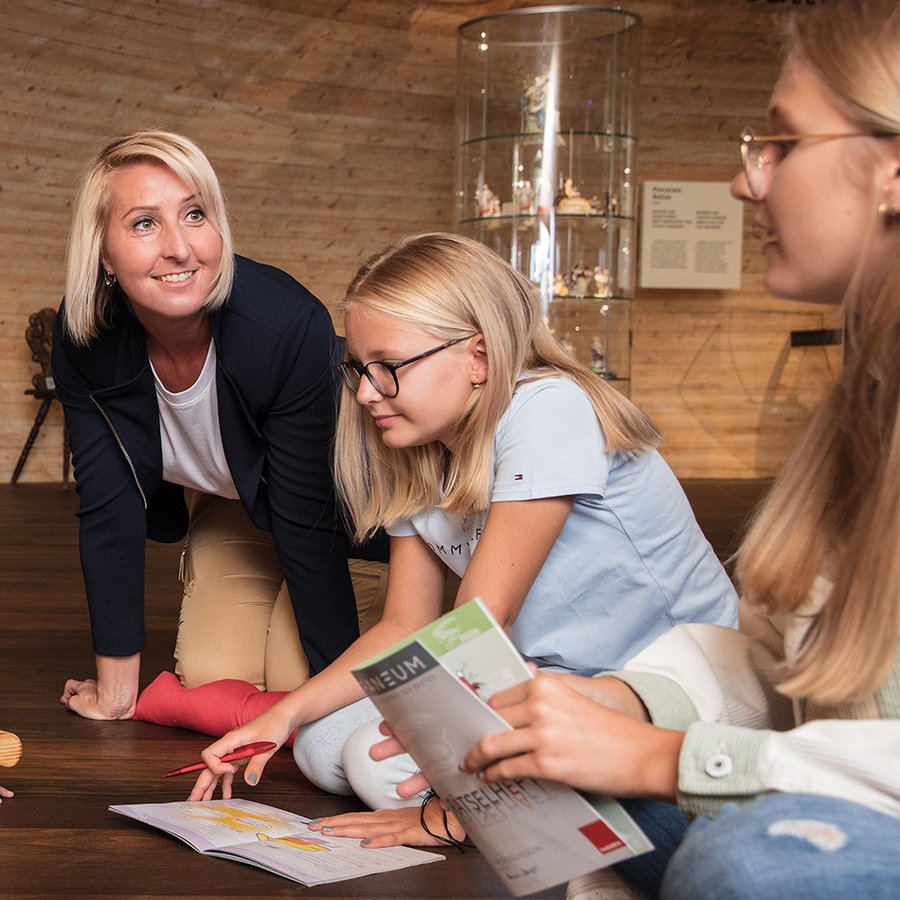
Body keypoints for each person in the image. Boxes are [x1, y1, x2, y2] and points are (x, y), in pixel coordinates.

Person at [357, 2, 900, 897]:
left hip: (793, 797)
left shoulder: (548, 407)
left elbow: (474, 617)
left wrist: (663, 755)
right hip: (748, 746)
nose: (746, 182)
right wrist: (615, 703)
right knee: (528, 775)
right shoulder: (863, 408)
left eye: (781, 143)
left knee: (748, 861)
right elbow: (780, 660)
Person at [184, 230, 739, 823]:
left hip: (669, 682)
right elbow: (403, 626)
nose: (366, 393)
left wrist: (445, 807)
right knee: (320, 744)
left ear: (479, 356)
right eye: (359, 369)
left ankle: (504, 814)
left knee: (372, 763)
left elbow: (484, 617)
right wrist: (284, 714)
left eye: (388, 367)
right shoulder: (417, 451)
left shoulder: (549, 408)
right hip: (550, 676)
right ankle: (530, 799)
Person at [52, 130, 385, 722]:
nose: (180, 248)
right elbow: (108, 504)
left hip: (344, 511)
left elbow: (307, 518)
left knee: (302, 684)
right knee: (212, 673)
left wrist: (334, 699)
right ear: (103, 252)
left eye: (195, 214)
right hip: (240, 504)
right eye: (145, 224)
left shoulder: (285, 325)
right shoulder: (86, 337)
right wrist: (116, 693)